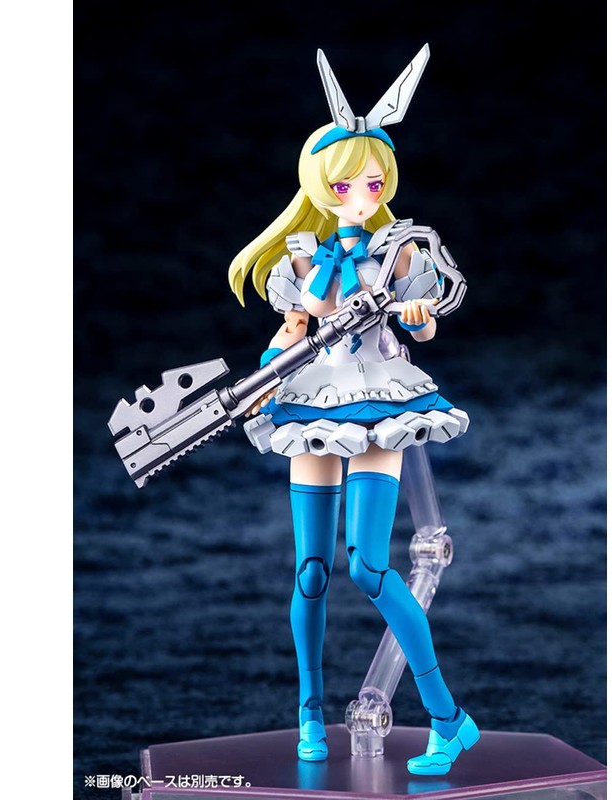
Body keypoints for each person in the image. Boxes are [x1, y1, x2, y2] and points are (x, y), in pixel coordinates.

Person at [227, 45, 479, 777]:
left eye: (372, 182)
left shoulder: (401, 252)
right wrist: (268, 369)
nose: (360, 195)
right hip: (313, 400)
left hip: (380, 399)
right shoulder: (302, 260)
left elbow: (423, 325)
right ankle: (309, 713)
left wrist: (420, 315)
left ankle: (448, 718)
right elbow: (289, 334)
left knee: (369, 565)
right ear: (321, 186)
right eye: (345, 184)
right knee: (311, 569)